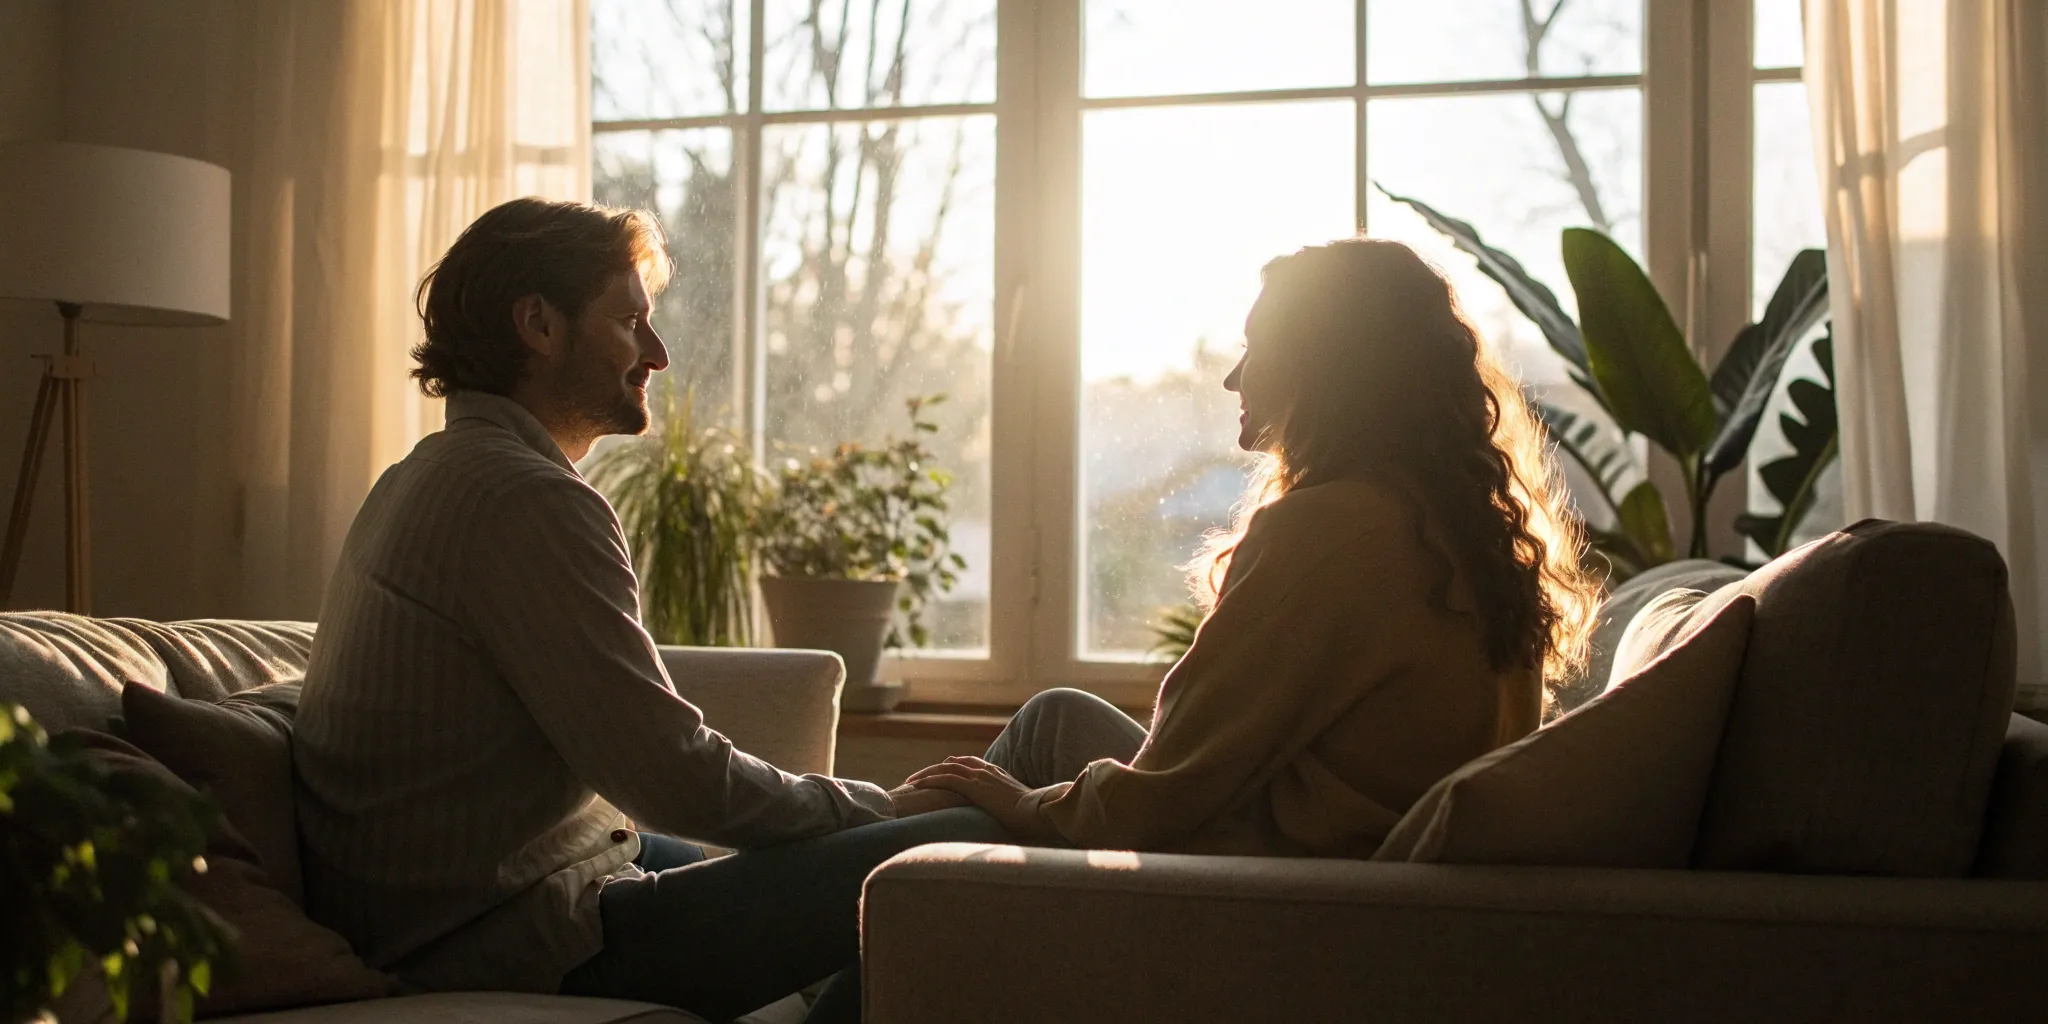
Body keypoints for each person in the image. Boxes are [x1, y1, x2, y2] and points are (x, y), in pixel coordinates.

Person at [293, 197, 1003, 1024]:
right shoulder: (527, 502)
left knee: (871, 844)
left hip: (500, 899)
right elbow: (677, 779)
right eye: (630, 321)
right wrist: (883, 808)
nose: (658, 353)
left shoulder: (422, 475)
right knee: (951, 852)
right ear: (540, 326)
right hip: (511, 941)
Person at [910, 238, 1601, 857]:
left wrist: (1022, 804)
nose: (1233, 379)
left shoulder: (1331, 531)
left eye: (1257, 347)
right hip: (1323, 865)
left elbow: (1155, 803)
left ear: (1327, 367)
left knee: (938, 846)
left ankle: (847, 862)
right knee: (1051, 722)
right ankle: (850, 840)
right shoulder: (1457, 528)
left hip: (1260, 889)